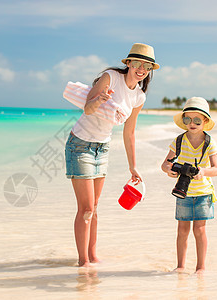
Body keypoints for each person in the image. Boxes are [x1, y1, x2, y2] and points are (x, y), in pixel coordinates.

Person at [65, 43, 160, 267]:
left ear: (149, 71)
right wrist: (99, 100)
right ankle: (82, 261)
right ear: (128, 63)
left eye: (146, 66)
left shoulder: (138, 96)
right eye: (137, 63)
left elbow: (130, 132)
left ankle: (93, 255)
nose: (141, 69)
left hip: (102, 148)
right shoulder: (109, 77)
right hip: (80, 144)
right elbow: (87, 109)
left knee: (95, 207)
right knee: (86, 208)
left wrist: (133, 166)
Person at [161, 97, 217, 274]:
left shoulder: (209, 142)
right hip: (183, 192)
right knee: (182, 230)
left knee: (199, 230)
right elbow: (164, 164)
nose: (192, 124)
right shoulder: (179, 141)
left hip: (203, 192)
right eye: (187, 119)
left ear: (205, 121)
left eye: (197, 120)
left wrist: (202, 172)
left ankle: (200, 267)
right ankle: (180, 266)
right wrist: (169, 170)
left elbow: (216, 169)